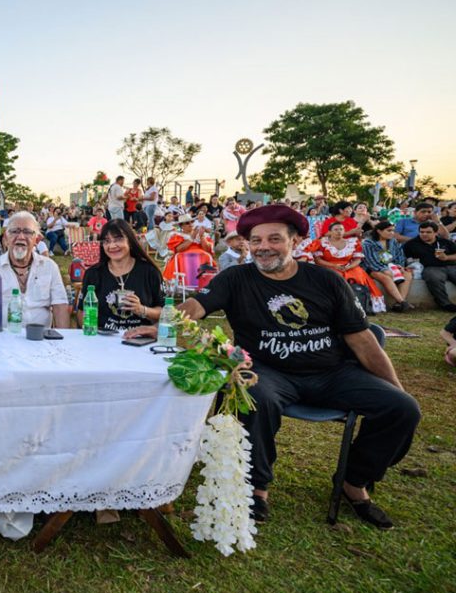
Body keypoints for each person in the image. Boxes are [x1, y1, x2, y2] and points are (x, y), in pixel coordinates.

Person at [128, 205, 420, 529]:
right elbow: (194, 307)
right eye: (255, 240)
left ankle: (355, 481)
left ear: (294, 241)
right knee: (255, 395)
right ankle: (256, 488)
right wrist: (163, 327)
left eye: (274, 238)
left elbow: (362, 339)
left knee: (402, 408)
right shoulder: (236, 278)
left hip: (332, 373)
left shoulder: (326, 281)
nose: (263, 246)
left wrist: (394, 386)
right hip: (266, 370)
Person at [0, 211, 70, 329]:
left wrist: (61, 343)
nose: (20, 237)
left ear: (36, 239)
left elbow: (60, 306)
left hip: (40, 340)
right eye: (14, 231)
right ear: (6, 238)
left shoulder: (49, 267)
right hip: (2, 340)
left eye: (27, 232)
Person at [77, 219, 162, 332]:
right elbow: (82, 311)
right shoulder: (93, 274)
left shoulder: (150, 272)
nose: (112, 246)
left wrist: (142, 309)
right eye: (106, 241)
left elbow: (166, 311)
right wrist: (93, 335)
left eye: (118, 239)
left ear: (130, 241)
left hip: (140, 338)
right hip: (103, 340)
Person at [307, 221, 386, 314]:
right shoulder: (322, 242)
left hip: (349, 267)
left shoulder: (352, 242)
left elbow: (358, 259)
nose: (339, 232)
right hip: (328, 266)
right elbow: (318, 260)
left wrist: (349, 266)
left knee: (358, 274)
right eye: (336, 229)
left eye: (341, 229)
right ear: (330, 232)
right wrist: (334, 266)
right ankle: (336, 305)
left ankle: (360, 303)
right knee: (334, 276)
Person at [362, 221, 415, 313]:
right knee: (386, 276)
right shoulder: (368, 243)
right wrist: (384, 269)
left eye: (393, 231)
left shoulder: (393, 241)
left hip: (391, 266)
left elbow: (400, 255)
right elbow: (370, 261)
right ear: (379, 231)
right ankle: (402, 302)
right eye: (389, 231)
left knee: (407, 274)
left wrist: (400, 266)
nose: (392, 233)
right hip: (371, 268)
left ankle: (398, 304)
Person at [402, 221, 456, 311]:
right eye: (422, 232)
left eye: (428, 232)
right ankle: (445, 304)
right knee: (433, 278)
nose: (424, 234)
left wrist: (446, 257)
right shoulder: (411, 244)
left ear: (435, 232)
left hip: (450, 266)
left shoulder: (444, 242)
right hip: (430, 267)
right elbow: (404, 258)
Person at [161, 214, 215, 281]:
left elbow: (207, 249)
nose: (190, 224)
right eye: (187, 223)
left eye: (192, 222)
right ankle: (187, 281)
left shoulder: (202, 234)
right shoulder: (177, 235)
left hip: (201, 254)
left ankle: (204, 280)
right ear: (181, 226)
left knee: (206, 256)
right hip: (183, 254)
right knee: (183, 257)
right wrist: (192, 237)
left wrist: (202, 237)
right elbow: (178, 249)